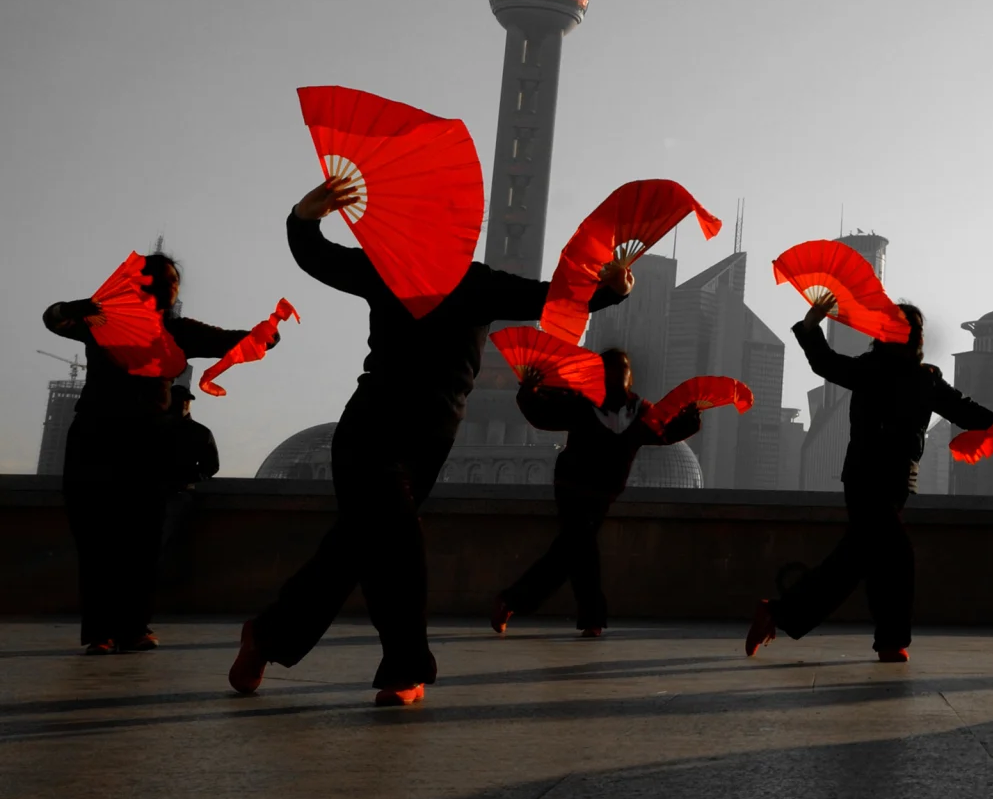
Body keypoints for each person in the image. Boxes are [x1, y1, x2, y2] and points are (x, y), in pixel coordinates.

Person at [229, 176, 632, 706]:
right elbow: (319, 258)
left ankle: (267, 635)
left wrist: (611, 289)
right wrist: (304, 216)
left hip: (430, 442)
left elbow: (549, 296)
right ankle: (405, 666)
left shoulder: (479, 282)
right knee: (399, 546)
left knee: (351, 549)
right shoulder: (388, 268)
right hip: (371, 430)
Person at [745, 297, 993, 662]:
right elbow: (825, 363)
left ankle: (781, 614)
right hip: (866, 480)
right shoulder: (873, 370)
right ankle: (889, 640)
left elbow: (964, 410)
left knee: (858, 560)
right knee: (897, 556)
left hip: (896, 484)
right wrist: (810, 325)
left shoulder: (925, 380)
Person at [44, 254, 257, 655]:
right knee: (96, 539)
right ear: (136, 284)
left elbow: (229, 340)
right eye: (159, 278)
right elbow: (53, 320)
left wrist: (264, 333)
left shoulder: (176, 329)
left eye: (173, 280)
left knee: (142, 539)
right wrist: (70, 309)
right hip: (95, 438)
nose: (168, 285)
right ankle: (100, 632)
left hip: (149, 441)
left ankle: (133, 627)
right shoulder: (102, 320)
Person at [491, 349, 701, 637]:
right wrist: (529, 391)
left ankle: (511, 601)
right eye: (611, 371)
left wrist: (689, 421)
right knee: (583, 552)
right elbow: (543, 415)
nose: (618, 377)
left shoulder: (638, 411)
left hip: (603, 494)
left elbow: (663, 432)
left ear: (629, 377)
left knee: (568, 554)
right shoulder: (580, 402)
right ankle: (591, 619)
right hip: (572, 488)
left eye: (622, 371)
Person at [159, 386, 221, 557]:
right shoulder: (200, 432)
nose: (183, 404)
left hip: (170, 493)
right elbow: (211, 466)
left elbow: (211, 466)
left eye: (184, 401)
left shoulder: (153, 430)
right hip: (176, 493)